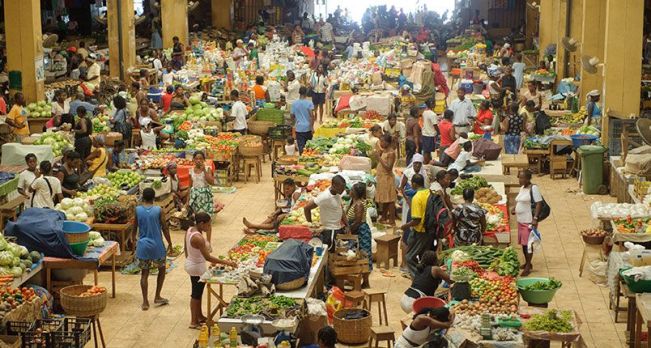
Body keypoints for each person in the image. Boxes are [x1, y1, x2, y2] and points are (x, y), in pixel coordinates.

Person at [185, 212, 237, 329]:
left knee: (198, 292)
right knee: (196, 294)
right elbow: (208, 257)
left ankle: (200, 316)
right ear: (202, 223)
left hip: (193, 263)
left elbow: (186, 249)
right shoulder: (198, 238)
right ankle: (194, 322)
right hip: (196, 267)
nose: (209, 228)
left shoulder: (190, 230)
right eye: (208, 225)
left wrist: (193, 258)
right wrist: (227, 263)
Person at [136, 188, 172, 311]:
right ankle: (157, 295)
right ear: (154, 197)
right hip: (157, 246)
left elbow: (134, 227)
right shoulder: (158, 210)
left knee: (144, 273)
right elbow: (165, 228)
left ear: (143, 197)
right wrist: (170, 243)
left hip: (143, 246)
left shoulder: (137, 210)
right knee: (161, 269)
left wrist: (132, 243)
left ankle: (145, 301)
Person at [304, 175, 346, 252]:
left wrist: (347, 225)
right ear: (334, 185)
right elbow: (307, 208)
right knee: (328, 253)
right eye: (341, 188)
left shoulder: (337, 194)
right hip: (329, 231)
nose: (343, 190)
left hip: (336, 229)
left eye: (344, 187)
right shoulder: (325, 196)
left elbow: (341, 209)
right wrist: (311, 224)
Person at [513, 169, 543, 276]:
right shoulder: (522, 188)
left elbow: (539, 203)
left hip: (529, 221)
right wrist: (514, 208)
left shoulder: (533, 188)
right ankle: (527, 262)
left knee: (529, 244)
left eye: (522, 178)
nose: (519, 180)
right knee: (524, 244)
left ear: (527, 178)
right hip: (521, 220)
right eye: (519, 177)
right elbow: (520, 200)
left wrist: (535, 218)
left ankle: (528, 265)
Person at [346, 182, 373, 286]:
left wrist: (349, 230)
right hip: (356, 231)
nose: (350, 191)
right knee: (356, 255)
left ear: (356, 192)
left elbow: (357, 221)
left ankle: (366, 282)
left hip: (361, 231)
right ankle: (355, 279)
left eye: (352, 190)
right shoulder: (354, 202)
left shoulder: (359, 204)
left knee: (364, 255)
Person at [188, 151, 220, 216]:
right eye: (196, 159)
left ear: (204, 160)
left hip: (205, 196)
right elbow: (190, 186)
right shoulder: (191, 170)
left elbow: (212, 182)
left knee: (206, 214)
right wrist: (187, 201)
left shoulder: (208, 169)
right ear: (193, 160)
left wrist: (204, 171)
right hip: (195, 196)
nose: (198, 160)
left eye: (200, 159)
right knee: (197, 215)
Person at [376, 134, 397, 225]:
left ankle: (392, 220)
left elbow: (389, 168)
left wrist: (379, 158)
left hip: (387, 178)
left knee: (390, 199)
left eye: (382, 141)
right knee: (386, 198)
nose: (381, 143)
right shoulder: (384, 150)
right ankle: (383, 217)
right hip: (382, 178)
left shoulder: (391, 153)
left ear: (387, 143)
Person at [291, 86, 315, 154]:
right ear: (306, 92)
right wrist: (312, 127)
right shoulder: (309, 103)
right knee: (309, 147)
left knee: (301, 147)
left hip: (299, 128)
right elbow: (312, 116)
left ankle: (302, 159)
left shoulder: (294, 104)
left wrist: (296, 119)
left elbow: (292, 116)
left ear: (299, 93)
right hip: (308, 128)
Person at [421, 99, 439, 164]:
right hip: (430, 134)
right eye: (434, 103)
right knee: (427, 151)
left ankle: (427, 162)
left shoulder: (424, 112)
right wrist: (439, 132)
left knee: (426, 151)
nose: (435, 104)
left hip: (425, 133)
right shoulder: (432, 114)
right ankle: (426, 163)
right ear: (432, 104)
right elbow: (435, 125)